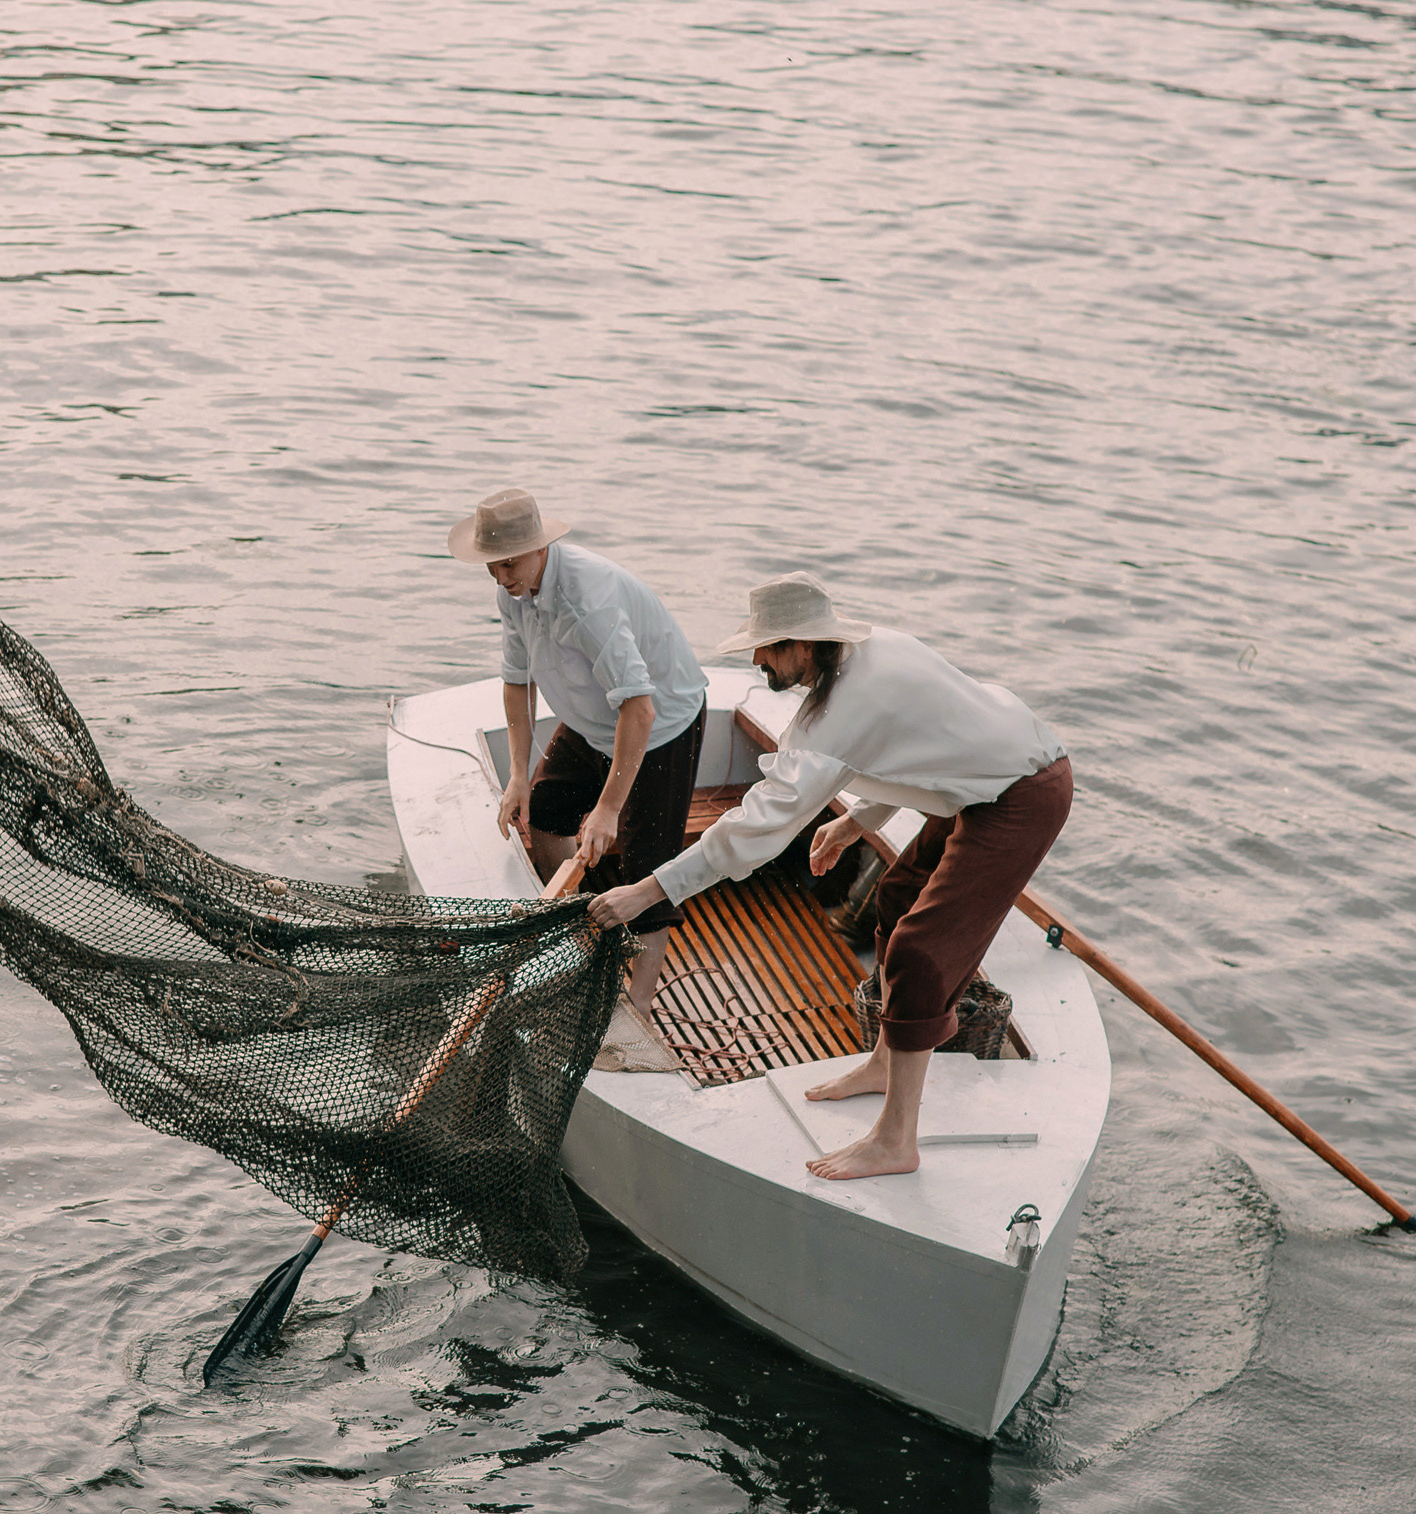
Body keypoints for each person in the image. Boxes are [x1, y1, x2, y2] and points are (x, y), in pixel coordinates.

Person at [588, 572, 1072, 1180]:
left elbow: (756, 828)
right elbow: (922, 746)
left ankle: (895, 1141)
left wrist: (648, 890)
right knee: (896, 896)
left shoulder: (844, 706)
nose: (758, 661)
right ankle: (883, 1064)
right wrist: (852, 823)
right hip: (986, 780)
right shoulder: (870, 654)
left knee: (921, 951)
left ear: (805, 644)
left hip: (1022, 795)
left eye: (767, 649)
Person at [449, 486, 708, 1017]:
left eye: (509, 563)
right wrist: (517, 775)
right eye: (491, 565)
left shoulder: (588, 599)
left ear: (540, 547)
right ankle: (578, 931)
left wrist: (608, 809)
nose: (500, 577)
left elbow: (640, 709)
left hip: (661, 725)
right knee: (544, 810)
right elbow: (516, 681)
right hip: (592, 720)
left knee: (645, 867)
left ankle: (638, 1003)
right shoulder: (513, 591)